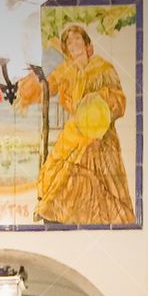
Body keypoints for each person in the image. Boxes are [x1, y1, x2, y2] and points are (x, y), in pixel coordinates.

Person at [17, 22, 136, 226]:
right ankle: (56, 210)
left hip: (100, 131)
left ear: (86, 42)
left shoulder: (103, 68)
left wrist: (97, 101)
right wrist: (30, 87)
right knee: (60, 161)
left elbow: (119, 101)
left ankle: (85, 214)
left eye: (77, 39)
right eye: (69, 42)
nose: (74, 44)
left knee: (88, 153)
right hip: (75, 129)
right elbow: (47, 86)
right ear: (66, 49)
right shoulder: (66, 70)